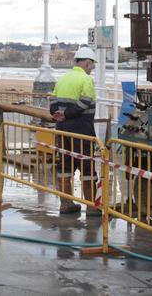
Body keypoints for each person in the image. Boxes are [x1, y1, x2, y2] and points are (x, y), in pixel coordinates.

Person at [50, 46, 99, 216]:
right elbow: (85, 102)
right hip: (82, 131)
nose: (92, 68)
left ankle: (66, 203)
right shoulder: (86, 80)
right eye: (92, 65)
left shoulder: (63, 79)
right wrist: (67, 114)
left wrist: (59, 115)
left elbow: (52, 103)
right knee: (87, 169)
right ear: (86, 63)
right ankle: (92, 206)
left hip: (63, 131)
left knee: (64, 166)